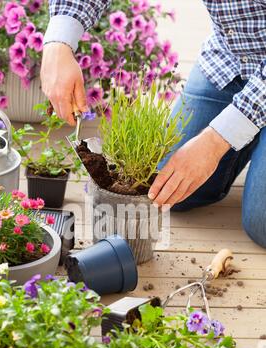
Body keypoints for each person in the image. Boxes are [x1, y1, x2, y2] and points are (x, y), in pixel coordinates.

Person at [41, 0, 266, 248]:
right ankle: (250, 128)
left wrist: (216, 140)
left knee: (261, 224)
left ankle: (250, 128)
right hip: (230, 60)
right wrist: (58, 45)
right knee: (166, 188)